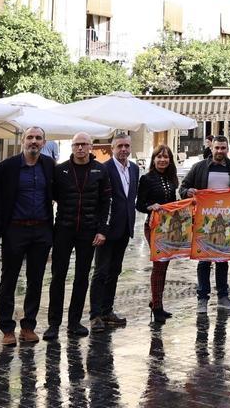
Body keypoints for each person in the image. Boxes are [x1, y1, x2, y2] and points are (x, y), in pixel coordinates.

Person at [0, 126, 55, 347]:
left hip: (41, 230)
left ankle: (28, 326)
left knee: (35, 280)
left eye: (39, 138)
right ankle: (7, 329)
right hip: (15, 230)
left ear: (44, 143)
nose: (34, 141)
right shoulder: (6, 167)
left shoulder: (48, 165)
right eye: (30, 137)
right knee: (8, 279)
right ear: (23, 141)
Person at [43, 132, 109, 340]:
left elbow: (105, 202)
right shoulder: (60, 170)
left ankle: (74, 322)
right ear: (72, 147)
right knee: (58, 277)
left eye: (84, 144)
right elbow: (51, 196)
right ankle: (53, 324)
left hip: (88, 231)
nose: (80, 148)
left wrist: (101, 230)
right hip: (63, 228)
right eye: (76, 145)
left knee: (81, 277)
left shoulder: (101, 169)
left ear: (91, 146)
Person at [180, 134, 230, 313]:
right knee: (204, 261)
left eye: (223, 148)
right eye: (217, 148)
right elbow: (183, 188)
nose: (220, 151)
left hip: (225, 223)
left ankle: (223, 296)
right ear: (211, 148)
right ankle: (202, 298)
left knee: (223, 259)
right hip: (204, 221)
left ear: (227, 149)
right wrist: (188, 191)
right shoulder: (199, 167)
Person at [90, 131, 139, 333]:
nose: (123, 150)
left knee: (115, 271)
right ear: (112, 148)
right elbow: (99, 201)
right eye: (119, 146)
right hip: (107, 230)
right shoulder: (104, 169)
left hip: (125, 228)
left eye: (126, 146)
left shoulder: (134, 169)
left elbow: (130, 198)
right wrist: (100, 228)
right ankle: (95, 315)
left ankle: (107, 310)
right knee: (100, 272)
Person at [137, 144, 180, 323]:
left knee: (164, 265)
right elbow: (139, 204)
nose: (162, 160)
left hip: (169, 227)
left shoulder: (172, 179)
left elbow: (171, 202)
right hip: (153, 226)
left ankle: (156, 301)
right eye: (159, 157)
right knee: (159, 264)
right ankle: (157, 307)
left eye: (166, 157)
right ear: (153, 159)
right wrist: (150, 207)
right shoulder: (146, 179)